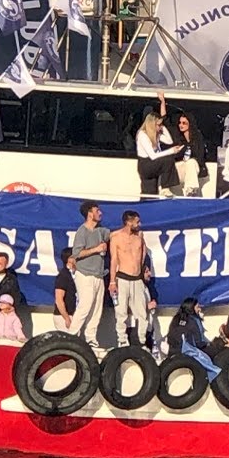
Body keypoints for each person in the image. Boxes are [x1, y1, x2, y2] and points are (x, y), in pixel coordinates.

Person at [70, 200, 110, 348]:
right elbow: (76, 253)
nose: (100, 213)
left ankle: (91, 339)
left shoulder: (101, 230)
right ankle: (71, 335)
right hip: (85, 274)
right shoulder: (82, 231)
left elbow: (113, 235)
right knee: (85, 306)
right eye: (97, 210)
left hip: (99, 275)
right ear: (89, 213)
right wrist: (96, 249)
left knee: (96, 309)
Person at [108, 210, 148, 348]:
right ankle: (122, 340)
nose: (139, 224)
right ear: (129, 222)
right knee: (121, 312)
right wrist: (112, 281)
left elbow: (143, 255)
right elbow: (113, 260)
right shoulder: (116, 237)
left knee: (142, 313)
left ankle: (141, 340)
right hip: (122, 278)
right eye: (137, 222)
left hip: (137, 279)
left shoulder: (140, 237)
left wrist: (143, 270)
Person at [136, 93, 180, 197]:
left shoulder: (156, 135)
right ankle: (165, 187)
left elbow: (169, 141)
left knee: (150, 193)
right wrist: (171, 151)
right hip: (146, 164)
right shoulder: (143, 135)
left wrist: (163, 127)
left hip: (152, 164)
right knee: (168, 159)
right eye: (158, 125)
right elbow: (153, 155)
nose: (160, 127)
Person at [171, 112, 206, 197]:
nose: (181, 125)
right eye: (180, 123)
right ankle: (191, 191)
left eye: (184, 123)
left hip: (193, 166)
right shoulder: (177, 137)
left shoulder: (197, 137)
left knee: (191, 162)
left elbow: (200, 155)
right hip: (179, 167)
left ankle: (191, 191)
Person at [53, 247, 77, 332]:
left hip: (74, 314)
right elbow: (59, 299)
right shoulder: (63, 276)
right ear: (69, 259)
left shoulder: (76, 275)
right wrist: (66, 318)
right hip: (63, 316)